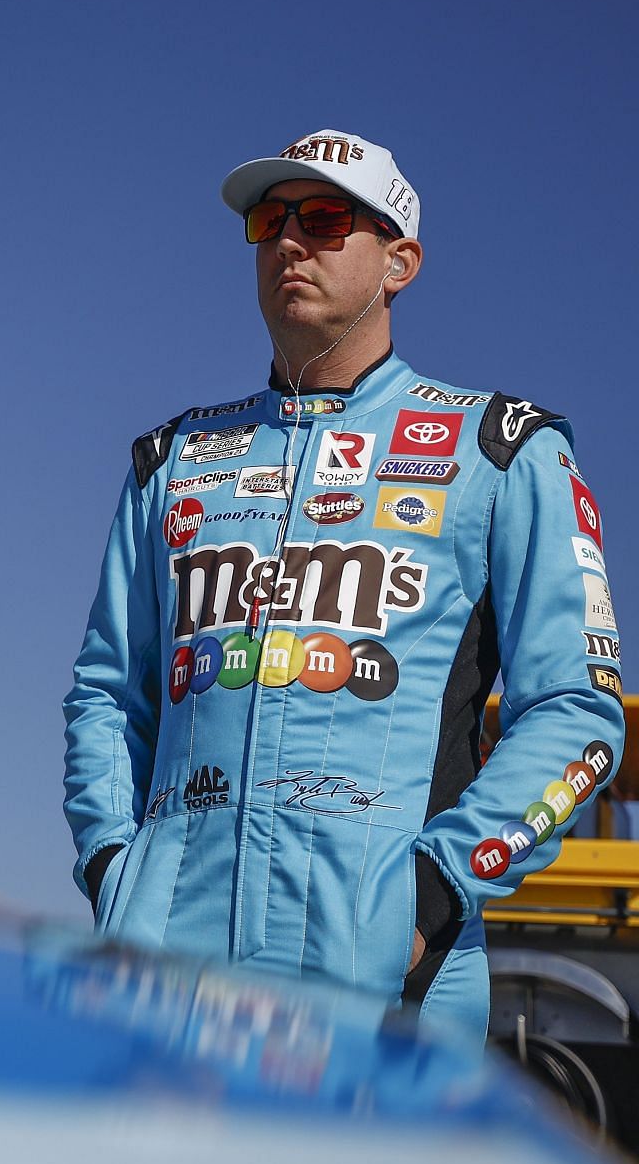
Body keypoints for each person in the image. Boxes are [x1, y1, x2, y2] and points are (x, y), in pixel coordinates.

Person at [62, 129, 625, 1041]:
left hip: (384, 998)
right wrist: (113, 871)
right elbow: (103, 696)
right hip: (163, 992)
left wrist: (429, 903)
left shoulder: (502, 451)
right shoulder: (174, 463)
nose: (290, 241)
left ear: (400, 260)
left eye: (325, 220)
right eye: (268, 221)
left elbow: (576, 711)